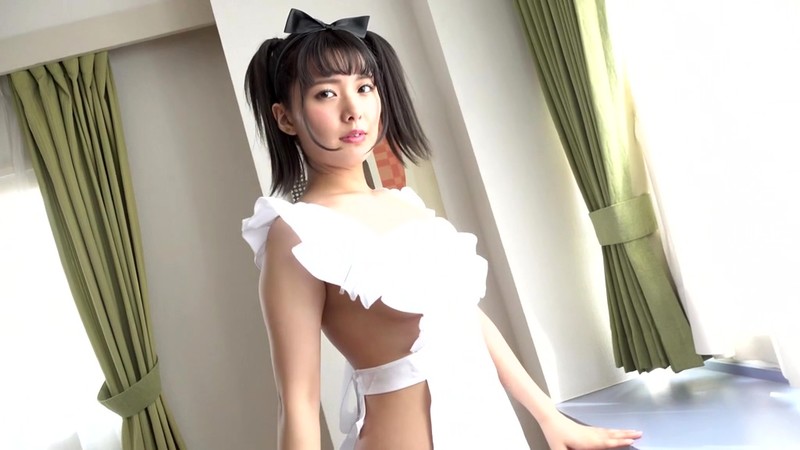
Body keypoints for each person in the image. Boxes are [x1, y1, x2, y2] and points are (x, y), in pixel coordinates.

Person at [241, 8, 643, 450]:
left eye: (364, 87)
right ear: (285, 118)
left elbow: (465, 319)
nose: (353, 111)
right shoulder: (296, 234)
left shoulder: (405, 205)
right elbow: (298, 403)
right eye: (326, 94)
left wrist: (550, 419)